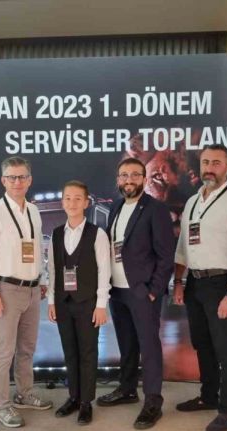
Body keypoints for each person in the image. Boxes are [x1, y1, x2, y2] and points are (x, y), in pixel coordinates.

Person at [173, 144, 227, 431]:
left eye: (216, 162)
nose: (209, 167)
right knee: (202, 344)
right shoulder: (192, 201)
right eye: (206, 162)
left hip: (222, 283)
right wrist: (179, 282)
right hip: (195, 283)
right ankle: (208, 396)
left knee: (225, 349)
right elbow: (183, 247)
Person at [95, 157, 174, 430]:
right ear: (118, 179)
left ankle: (153, 402)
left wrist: (154, 291)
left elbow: (166, 255)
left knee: (149, 347)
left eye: (134, 175)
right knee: (127, 344)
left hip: (142, 292)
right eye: (124, 175)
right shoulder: (116, 207)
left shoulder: (156, 209)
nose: (129, 180)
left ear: (143, 178)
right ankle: (127, 389)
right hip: (117, 290)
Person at [0, 157, 52, 428]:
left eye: (22, 177)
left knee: (27, 348)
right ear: (3, 180)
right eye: (11, 177)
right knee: (4, 351)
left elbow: (37, 248)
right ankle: (3, 406)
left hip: (32, 289)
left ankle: (24, 393)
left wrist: (43, 279)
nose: (17, 182)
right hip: (6, 290)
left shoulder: (33, 211)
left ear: (29, 180)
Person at [47, 180, 111, 425]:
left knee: (87, 352)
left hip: (88, 303)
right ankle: (73, 397)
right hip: (63, 302)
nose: (72, 203)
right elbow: (53, 270)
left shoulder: (97, 234)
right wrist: (52, 301)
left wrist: (101, 304)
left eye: (77, 199)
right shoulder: (56, 234)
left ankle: (86, 402)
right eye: (68, 198)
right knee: (70, 352)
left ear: (86, 203)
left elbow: (104, 270)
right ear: (62, 202)